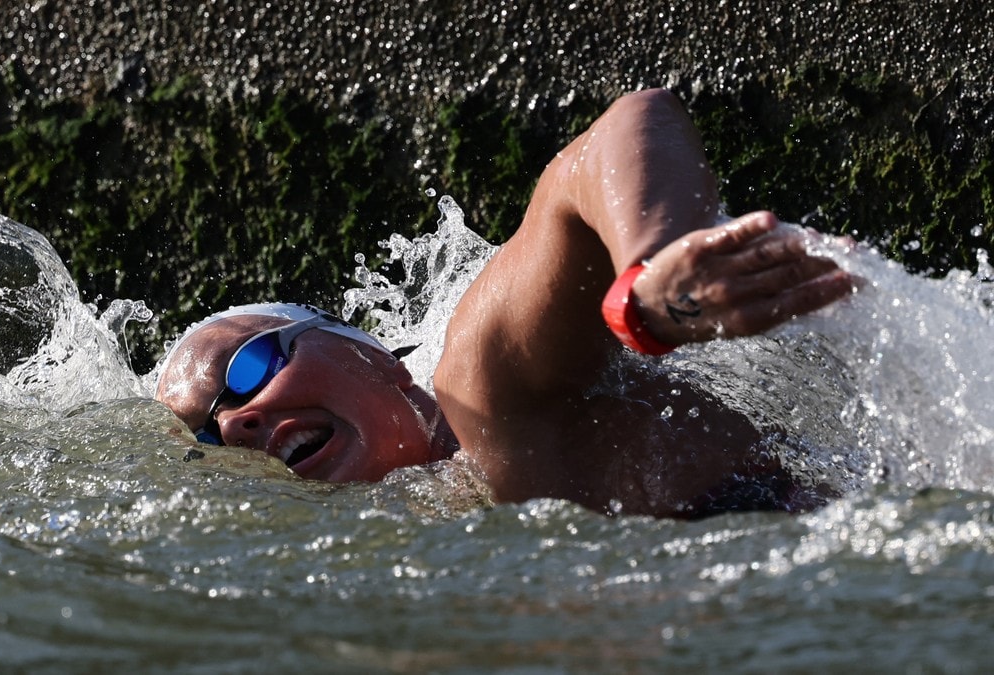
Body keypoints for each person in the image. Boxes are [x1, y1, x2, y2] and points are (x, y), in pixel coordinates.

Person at [155, 88, 855, 518]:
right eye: (208, 436)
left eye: (247, 368)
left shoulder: (478, 391)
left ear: (371, 355)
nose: (239, 422)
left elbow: (623, 129)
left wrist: (652, 287)